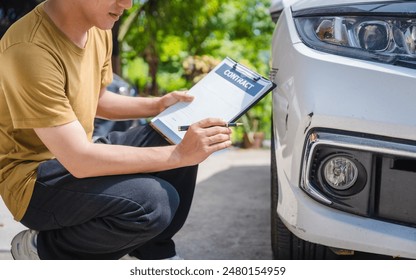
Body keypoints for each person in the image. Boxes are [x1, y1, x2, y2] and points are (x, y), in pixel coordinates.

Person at [0, 0, 232, 260]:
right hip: (34, 182)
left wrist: (158, 104)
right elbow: (79, 160)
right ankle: (44, 249)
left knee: (172, 131)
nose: (128, 4)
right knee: (152, 201)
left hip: (74, 158)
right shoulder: (30, 48)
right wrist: (180, 155)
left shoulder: (98, 26)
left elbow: (98, 100)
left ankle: (154, 253)